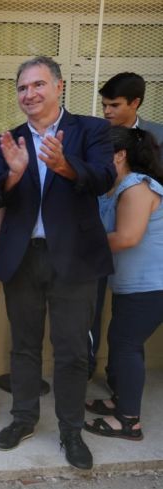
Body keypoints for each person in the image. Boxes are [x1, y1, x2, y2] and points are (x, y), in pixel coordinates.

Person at [0, 56, 116, 470]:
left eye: (38, 85)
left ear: (58, 87)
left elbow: (104, 179)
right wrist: (14, 176)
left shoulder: (90, 130)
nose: (29, 94)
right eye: (22, 88)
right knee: (23, 345)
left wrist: (64, 166)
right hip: (24, 257)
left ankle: (71, 430)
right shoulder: (9, 139)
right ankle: (23, 419)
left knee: (72, 349)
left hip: (74, 259)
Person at [84, 127, 163, 441]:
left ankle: (129, 421)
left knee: (126, 346)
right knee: (123, 344)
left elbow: (127, 237)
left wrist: (79, 245)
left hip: (151, 286)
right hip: (133, 285)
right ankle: (122, 401)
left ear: (119, 156)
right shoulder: (116, 188)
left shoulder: (136, 187)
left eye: (99, 155)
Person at [87, 72, 163, 379]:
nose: (107, 112)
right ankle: (87, 367)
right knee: (91, 311)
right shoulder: (95, 135)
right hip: (101, 238)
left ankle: (122, 388)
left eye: (114, 105)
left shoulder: (156, 137)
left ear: (135, 103)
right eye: (104, 104)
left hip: (142, 252)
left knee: (127, 331)